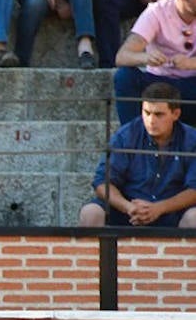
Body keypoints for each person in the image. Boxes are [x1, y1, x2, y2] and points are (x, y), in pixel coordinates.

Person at [82, 81, 196, 226]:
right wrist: (129, 207)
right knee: (90, 213)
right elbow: (102, 182)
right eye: (147, 113)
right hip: (127, 211)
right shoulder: (127, 135)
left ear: (176, 114)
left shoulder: (192, 140)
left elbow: (194, 189)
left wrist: (159, 208)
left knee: (195, 217)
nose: (151, 120)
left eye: (159, 114)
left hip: (172, 212)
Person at [113, 0, 196, 121]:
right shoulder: (157, 12)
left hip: (192, 85)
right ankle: (132, 138)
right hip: (158, 85)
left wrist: (190, 63)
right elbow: (122, 56)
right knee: (125, 77)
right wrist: (146, 58)